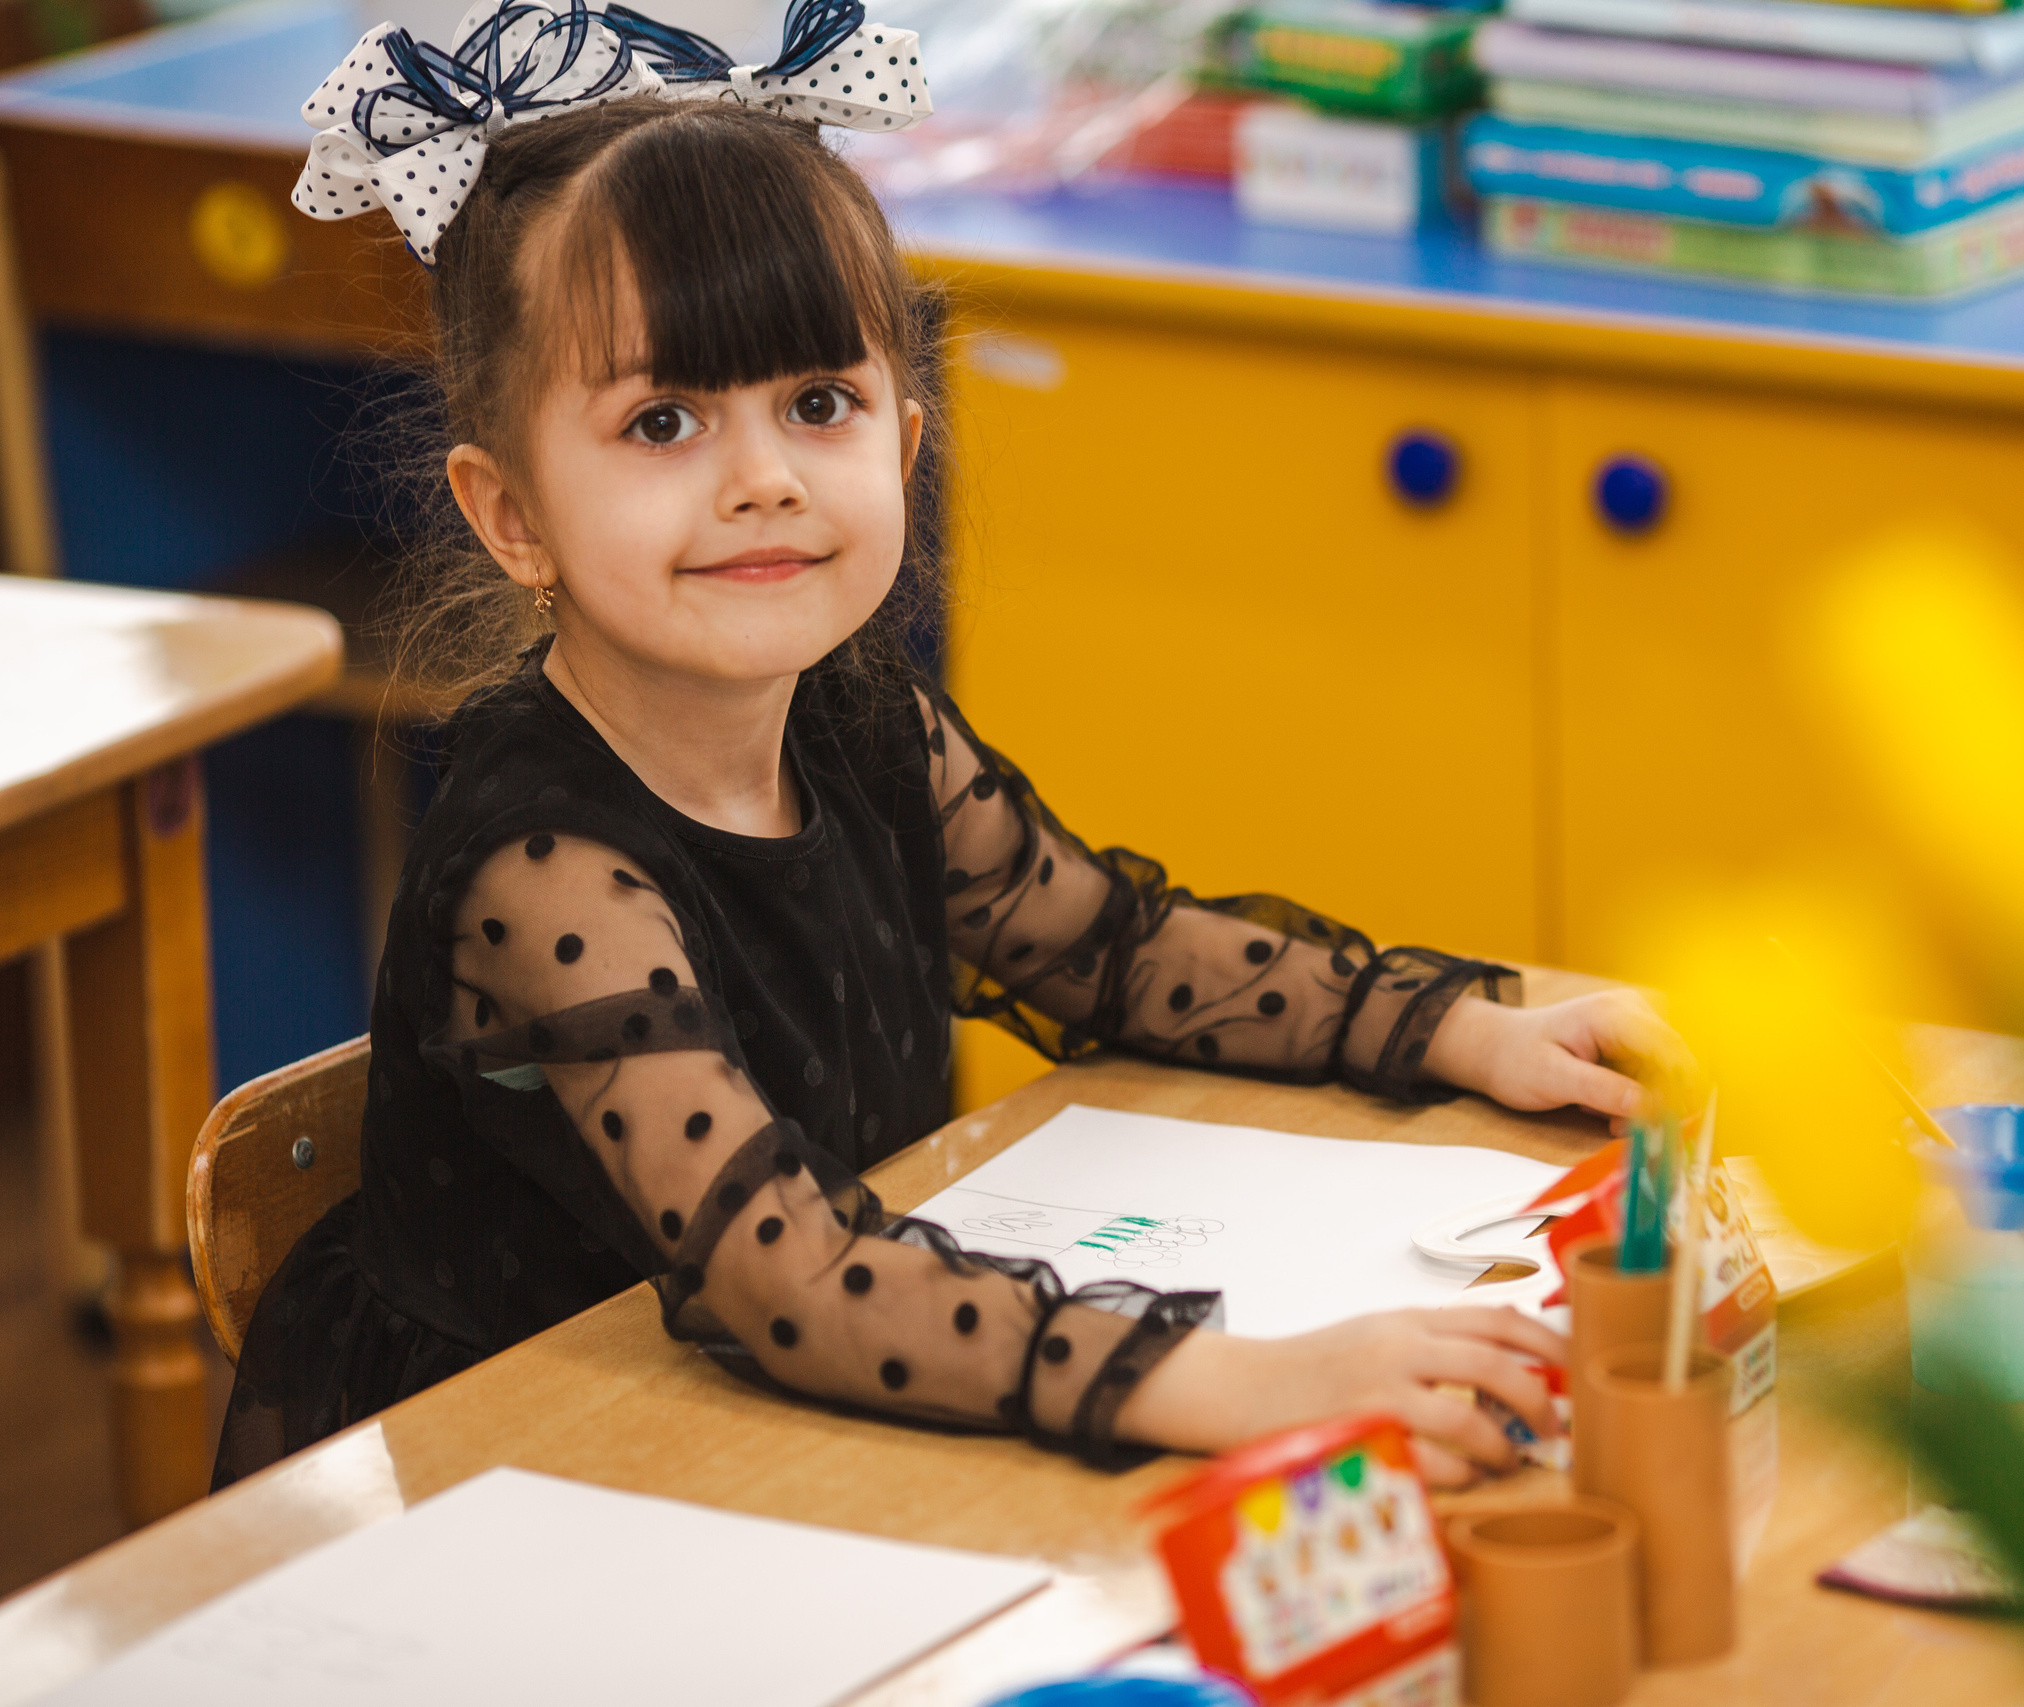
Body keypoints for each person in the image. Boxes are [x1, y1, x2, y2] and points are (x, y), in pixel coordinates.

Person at [216, 0, 1674, 1490]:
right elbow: (782, 1273)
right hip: (532, 1477)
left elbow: (1113, 952)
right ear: (512, 512)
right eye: (664, 423)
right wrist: (1242, 1376)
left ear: (906, 445)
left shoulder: (863, 724)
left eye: (819, 404)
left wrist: (1462, 1028)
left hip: (788, 1430)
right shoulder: (544, 871)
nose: (765, 479)